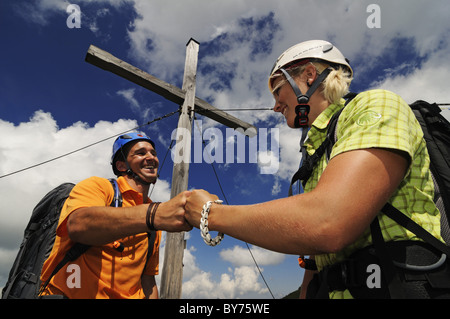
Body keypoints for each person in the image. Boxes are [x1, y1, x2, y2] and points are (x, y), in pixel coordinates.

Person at [184, 40, 449, 298]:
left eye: (277, 90)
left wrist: (210, 214)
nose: (275, 105)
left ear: (310, 75)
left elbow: (329, 222)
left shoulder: (375, 104)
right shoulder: (314, 151)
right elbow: (316, 250)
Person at [40, 132, 192, 299]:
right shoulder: (100, 187)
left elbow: (148, 281)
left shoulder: (153, 220)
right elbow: (78, 225)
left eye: (153, 153)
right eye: (141, 153)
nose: (151, 157)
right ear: (121, 166)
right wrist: (154, 215)